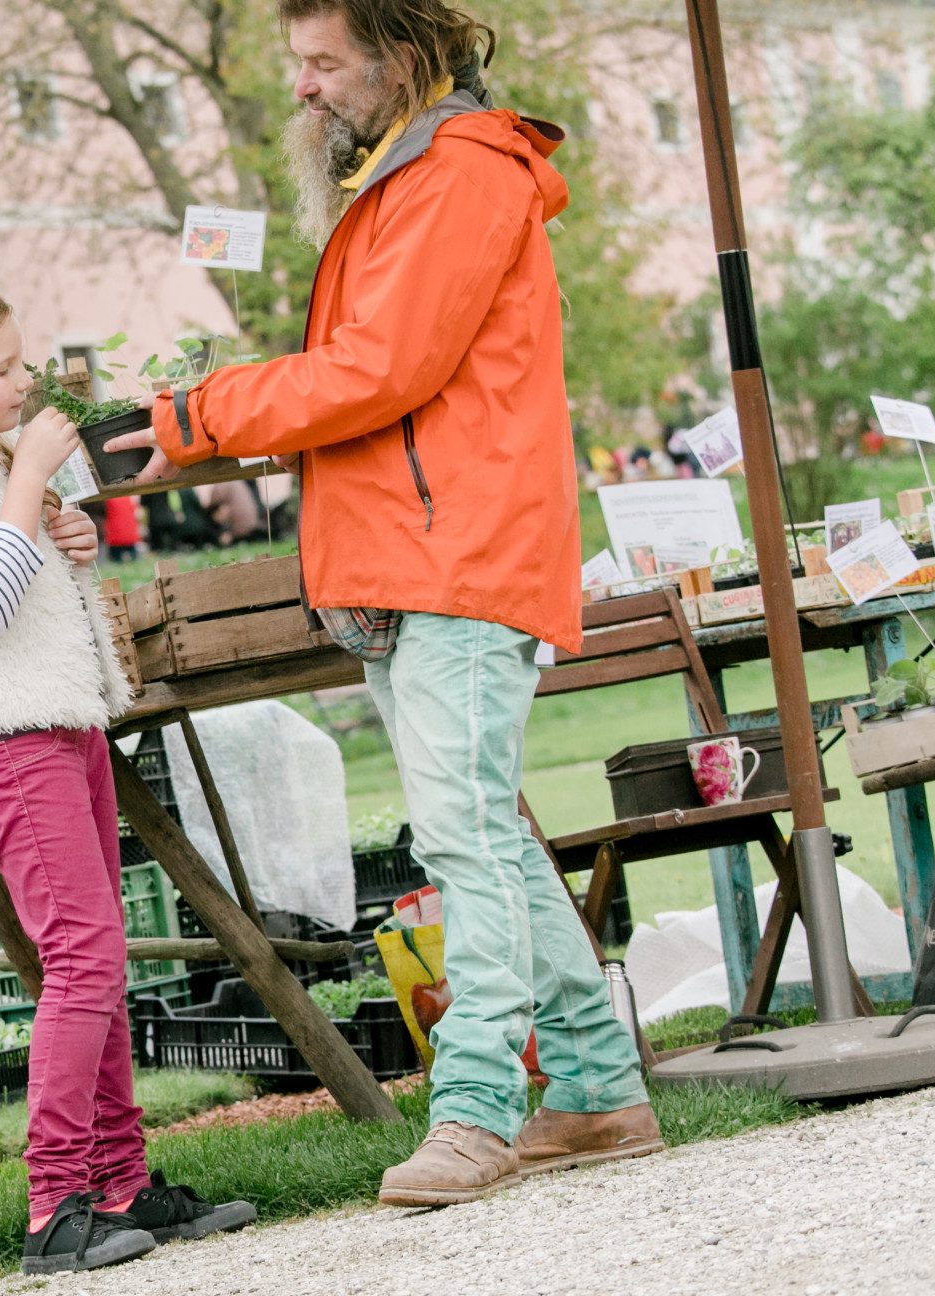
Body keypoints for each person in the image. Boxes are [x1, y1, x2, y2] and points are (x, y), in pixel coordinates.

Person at [107, 0, 661, 1208]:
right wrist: (204, 418)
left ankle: (475, 1112)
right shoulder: (408, 179)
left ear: (399, 61)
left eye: (321, 63)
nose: (300, 88)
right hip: (420, 553)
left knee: (463, 839)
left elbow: (378, 371)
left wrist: (196, 417)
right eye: (294, 63)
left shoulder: (456, 174)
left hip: (456, 551)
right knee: (490, 838)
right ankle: (596, 1091)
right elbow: (378, 378)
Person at [0, 278, 256, 1271]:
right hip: (3, 737)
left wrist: (57, 536)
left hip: (60, 725)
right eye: (4, 369)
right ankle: (54, 1207)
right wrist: (28, 486)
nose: (28, 384)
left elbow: (7, 577)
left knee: (97, 958)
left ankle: (118, 1188)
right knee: (81, 962)